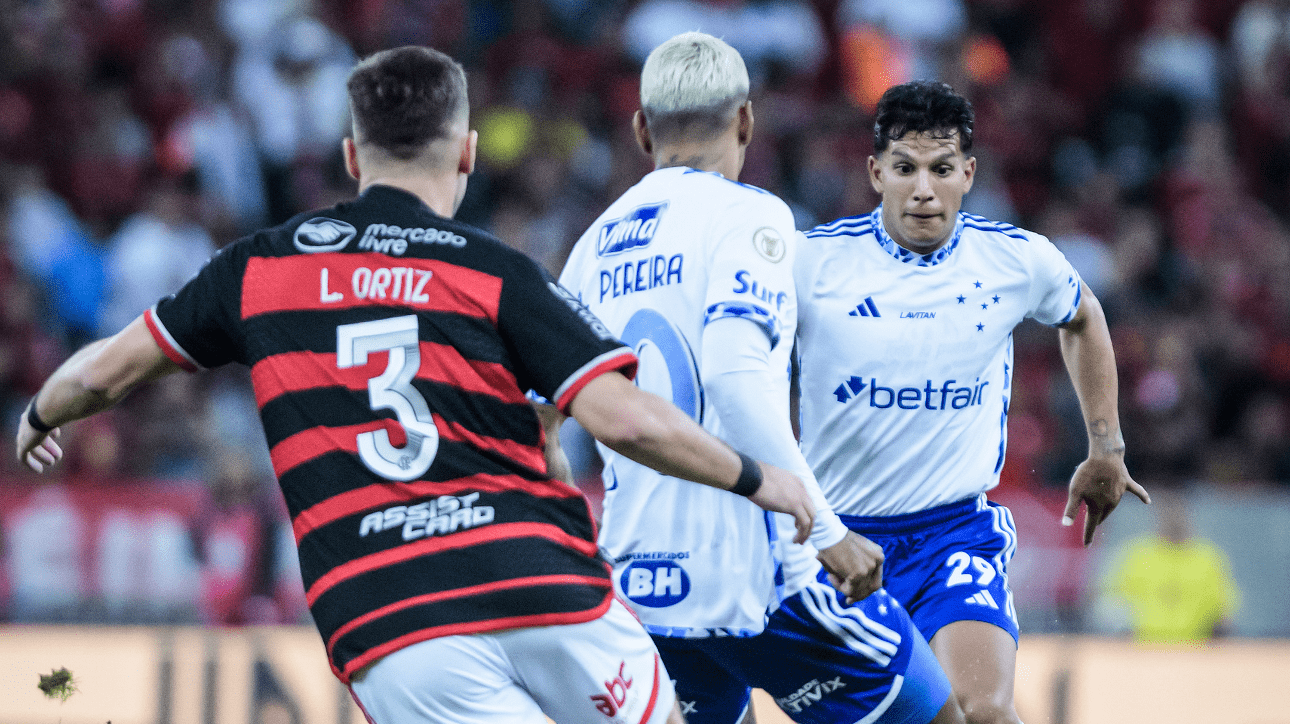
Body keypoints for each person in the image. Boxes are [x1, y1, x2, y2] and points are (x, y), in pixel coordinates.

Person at [14, 46, 823, 724]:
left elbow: (105, 370)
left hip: (390, 619)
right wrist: (759, 479)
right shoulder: (499, 273)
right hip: (538, 582)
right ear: (467, 151)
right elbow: (626, 421)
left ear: (351, 155)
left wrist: (42, 411)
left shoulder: (258, 270)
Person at [557, 33, 962, 724]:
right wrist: (828, 530)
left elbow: (547, 419)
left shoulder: (592, 245)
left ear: (640, 127)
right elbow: (736, 377)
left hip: (644, 587)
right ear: (746, 120)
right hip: (762, 578)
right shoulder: (751, 216)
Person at [793, 80, 1151, 724]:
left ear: (968, 172)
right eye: (904, 168)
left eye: (940, 168)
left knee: (981, 709)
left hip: (949, 535)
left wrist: (1106, 444)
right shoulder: (809, 262)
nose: (922, 188)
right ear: (876, 172)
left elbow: (1082, 316)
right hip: (835, 543)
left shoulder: (1015, 259)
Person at [1106, 492, 1239, 643]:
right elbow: (1112, 601)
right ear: (1158, 516)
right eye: (1167, 513)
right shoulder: (1135, 555)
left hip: (1196, 649)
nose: (1173, 520)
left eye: (1179, 513)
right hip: (1143, 648)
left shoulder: (1208, 557)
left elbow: (1224, 609)